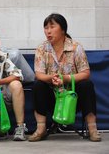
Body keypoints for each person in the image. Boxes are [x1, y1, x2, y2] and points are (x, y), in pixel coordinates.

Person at [29, 13, 101, 142]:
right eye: (46, 28)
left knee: (86, 84)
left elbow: (85, 73)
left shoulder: (75, 47)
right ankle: (40, 129)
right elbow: (39, 74)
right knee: (38, 84)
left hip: (72, 98)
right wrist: (51, 78)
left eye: (52, 27)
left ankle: (92, 129)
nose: (48, 31)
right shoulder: (42, 48)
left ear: (63, 29)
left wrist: (66, 78)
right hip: (52, 98)